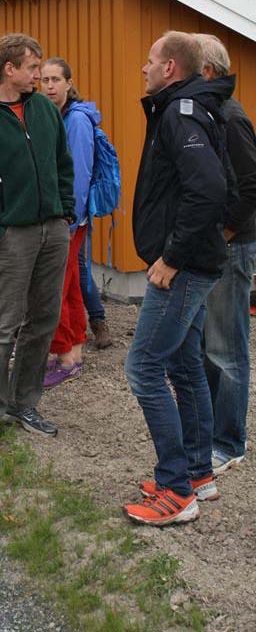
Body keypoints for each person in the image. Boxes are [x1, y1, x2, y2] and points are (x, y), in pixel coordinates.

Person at [123, 31, 229, 526]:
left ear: (170, 68)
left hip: (181, 268)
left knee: (143, 368)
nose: (143, 69)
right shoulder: (187, 108)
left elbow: (208, 188)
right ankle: (197, 472)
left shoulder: (181, 112)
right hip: (191, 262)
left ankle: (175, 489)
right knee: (184, 367)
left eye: (149, 61)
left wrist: (171, 256)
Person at [0, 33, 74, 450]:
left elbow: (63, 163)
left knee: (42, 322)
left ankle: (24, 402)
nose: (39, 76)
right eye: (32, 68)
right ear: (9, 69)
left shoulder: (44, 110)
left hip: (53, 231)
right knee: (1, 326)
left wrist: (65, 210)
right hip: (12, 237)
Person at [195, 33, 256, 475]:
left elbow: (251, 185)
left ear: (209, 72)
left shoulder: (231, 118)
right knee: (208, 343)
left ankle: (229, 440)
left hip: (233, 247)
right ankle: (213, 428)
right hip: (217, 246)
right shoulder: (210, 113)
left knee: (227, 346)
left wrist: (228, 231)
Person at [41, 58, 99, 387]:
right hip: (67, 216)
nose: (49, 86)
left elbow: (78, 175)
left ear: (68, 83)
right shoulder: (58, 115)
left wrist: (68, 218)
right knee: (73, 283)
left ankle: (63, 355)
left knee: (55, 287)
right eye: (45, 80)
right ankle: (74, 352)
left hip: (69, 217)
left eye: (55, 80)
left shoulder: (75, 120)